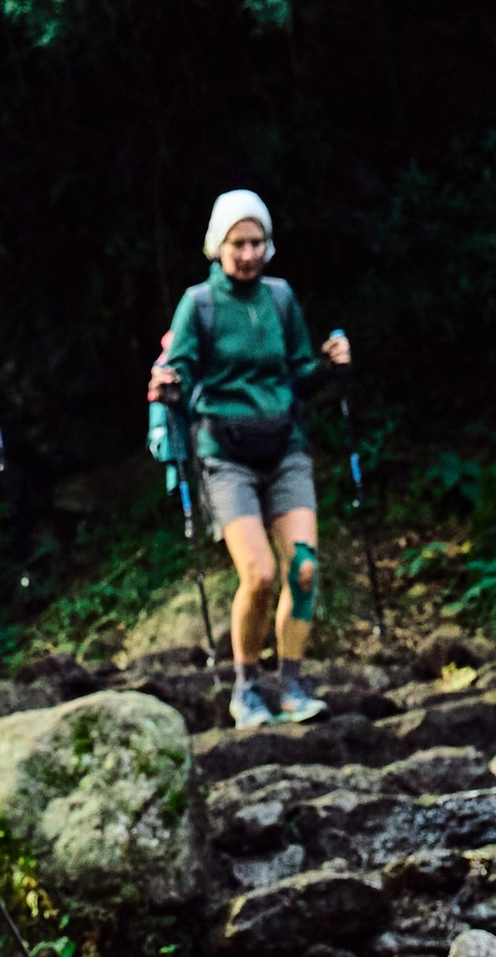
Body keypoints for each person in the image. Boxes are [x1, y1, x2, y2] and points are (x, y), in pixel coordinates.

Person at [148, 189, 352, 731]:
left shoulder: (280, 299)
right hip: (225, 455)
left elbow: (299, 374)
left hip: (285, 447)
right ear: (218, 246)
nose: (247, 254)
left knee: (303, 568)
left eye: (256, 242)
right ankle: (246, 687)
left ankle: (291, 684)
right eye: (237, 243)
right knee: (259, 574)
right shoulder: (199, 304)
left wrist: (328, 366)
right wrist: (168, 385)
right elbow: (180, 372)